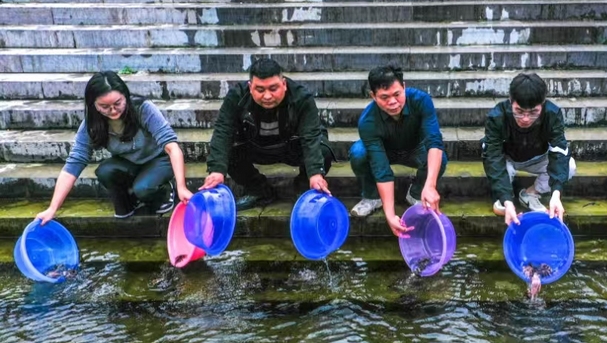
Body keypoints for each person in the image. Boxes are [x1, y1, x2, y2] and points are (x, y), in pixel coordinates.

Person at [35, 72, 193, 223]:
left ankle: (165, 191)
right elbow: (74, 163)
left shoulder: (143, 109)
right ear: (94, 105)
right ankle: (131, 200)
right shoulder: (92, 123)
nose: (112, 110)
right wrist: (52, 208)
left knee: (144, 188)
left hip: (158, 159)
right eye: (104, 106)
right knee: (105, 171)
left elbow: (172, 147)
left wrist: (182, 186)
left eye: (117, 103)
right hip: (128, 162)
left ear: (125, 96)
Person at [201, 58, 334, 210]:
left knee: (323, 150)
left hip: (292, 145)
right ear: (250, 87)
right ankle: (259, 190)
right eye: (260, 90)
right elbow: (223, 131)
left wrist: (315, 173)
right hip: (255, 146)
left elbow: (311, 136)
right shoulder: (236, 97)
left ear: (283, 84)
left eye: (273, 88)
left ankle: (303, 191)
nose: (267, 96)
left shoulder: (301, 97)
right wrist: (217, 170)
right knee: (226, 153)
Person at [349, 66, 447, 237]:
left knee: (440, 157)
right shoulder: (367, 120)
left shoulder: (421, 101)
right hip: (384, 152)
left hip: (415, 149)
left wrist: (430, 186)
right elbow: (381, 168)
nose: (393, 102)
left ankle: (416, 193)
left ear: (404, 86)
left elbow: (434, 141)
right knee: (358, 153)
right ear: (373, 96)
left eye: (397, 94)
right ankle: (373, 196)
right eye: (384, 97)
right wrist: (390, 213)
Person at [481, 73, 576, 225]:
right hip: (508, 158)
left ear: (542, 104)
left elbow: (559, 151)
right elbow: (492, 157)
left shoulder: (552, 114)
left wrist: (556, 194)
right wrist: (506, 200)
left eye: (533, 112)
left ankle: (531, 193)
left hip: (538, 157)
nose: (525, 119)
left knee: (570, 166)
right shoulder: (497, 116)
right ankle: (504, 197)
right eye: (519, 111)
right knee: (501, 168)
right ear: (511, 101)